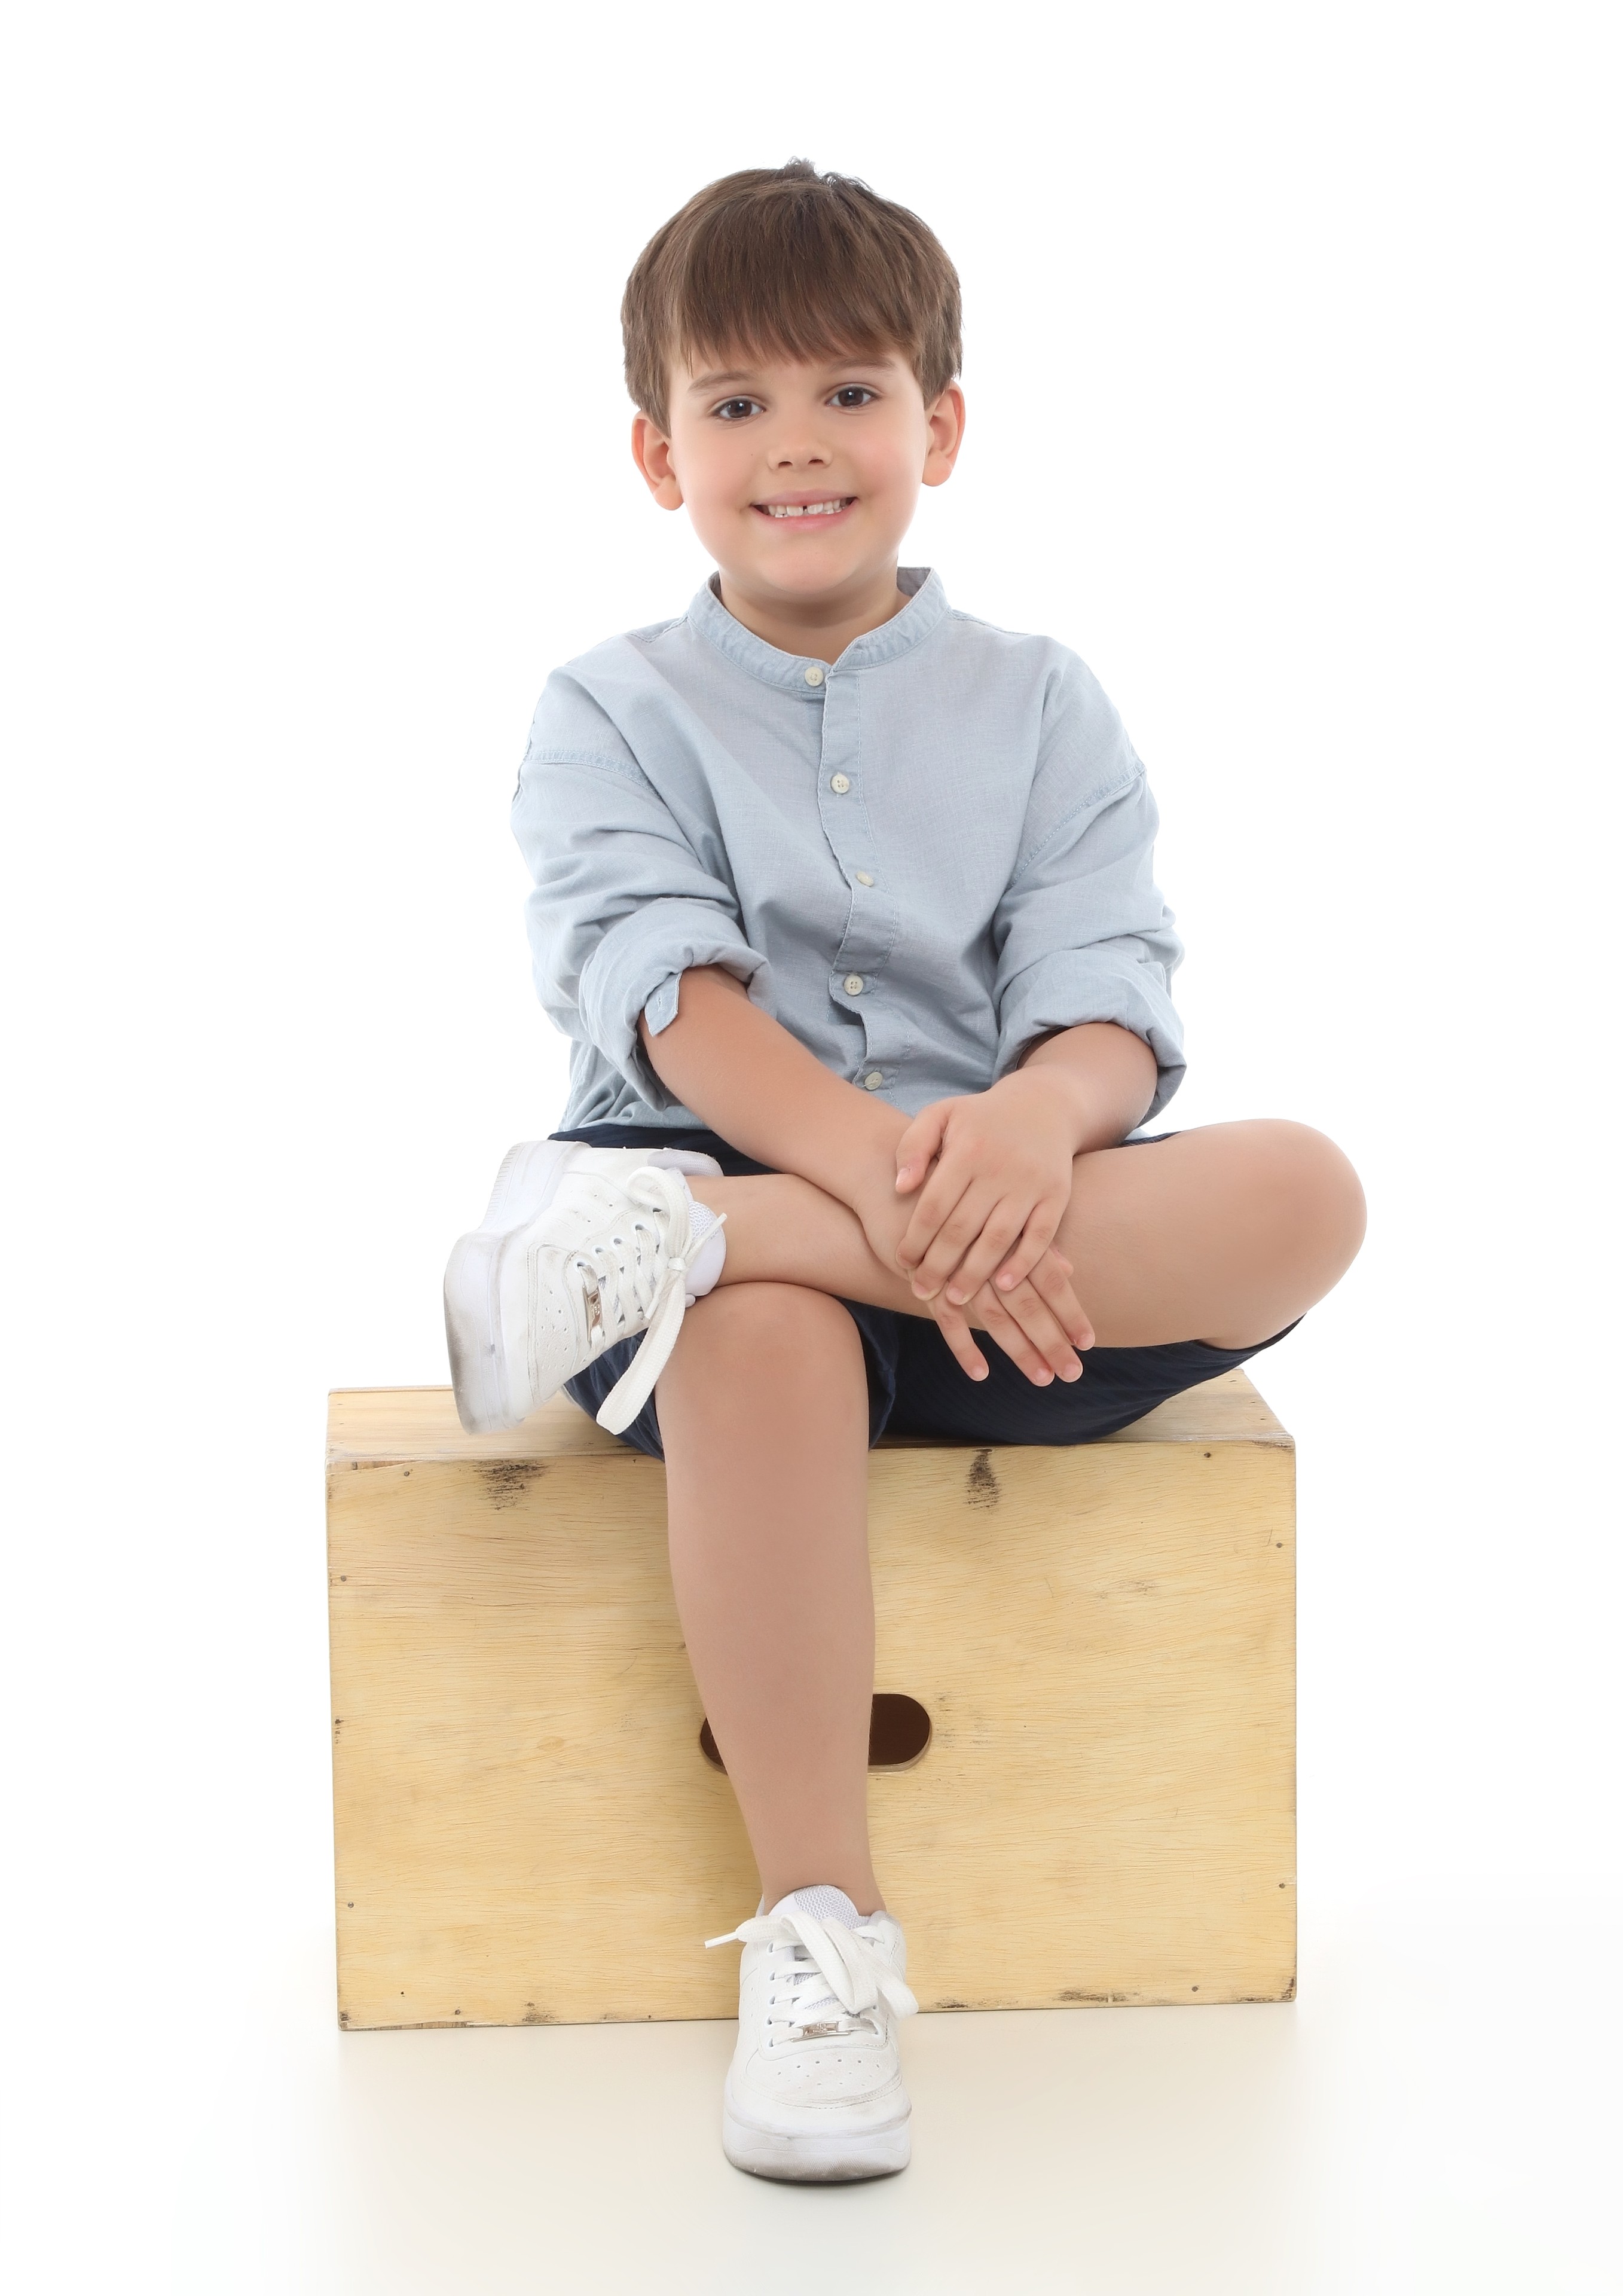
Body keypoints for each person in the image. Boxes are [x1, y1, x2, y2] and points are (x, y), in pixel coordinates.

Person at [443, 161, 1365, 2184]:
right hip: (738, 1206)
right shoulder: (608, 707)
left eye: (848, 394)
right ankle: (821, 1932)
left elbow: (1109, 991)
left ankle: (688, 1242)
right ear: (657, 452)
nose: (797, 445)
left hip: (1009, 1206)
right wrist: (870, 1169)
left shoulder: (1040, 699)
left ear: (936, 426)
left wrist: (1025, 1127)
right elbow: (662, 994)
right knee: (760, 1332)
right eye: (738, 403)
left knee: (1304, 1189)